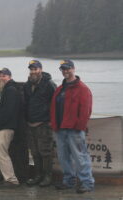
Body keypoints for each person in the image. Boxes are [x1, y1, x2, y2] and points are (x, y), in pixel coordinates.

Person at [50, 60, 94, 193]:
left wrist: (79, 127)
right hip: (60, 129)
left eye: (68, 68)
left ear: (73, 69)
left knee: (80, 157)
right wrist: (54, 124)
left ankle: (87, 183)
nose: (65, 71)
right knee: (63, 158)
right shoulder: (59, 89)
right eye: (63, 69)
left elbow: (86, 110)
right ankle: (68, 181)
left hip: (74, 130)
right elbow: (53, 108)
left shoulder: (83, 88)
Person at [24, 60, 56, 187]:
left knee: (46, 152)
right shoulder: (27, 85)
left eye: (35, 69)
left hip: (44, 124)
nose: (33, 72)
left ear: (41, 70)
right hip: (30, 124)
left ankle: (48, 176)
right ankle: (38, 175)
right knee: (35, 152)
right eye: (31, 69)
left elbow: (56, 104)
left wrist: (51, 122)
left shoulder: (49, 84)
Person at [0, 67, 21, 188]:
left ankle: (11, 180)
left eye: (4, 76)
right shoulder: (6, 90)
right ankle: (9, 178)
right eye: (0, 76)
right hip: (5, 127)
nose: (1, 78)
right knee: (2, 154)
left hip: (4, 128)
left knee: (2, 154)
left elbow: (8, 111)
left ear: (10, 77)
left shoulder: (10, 90)